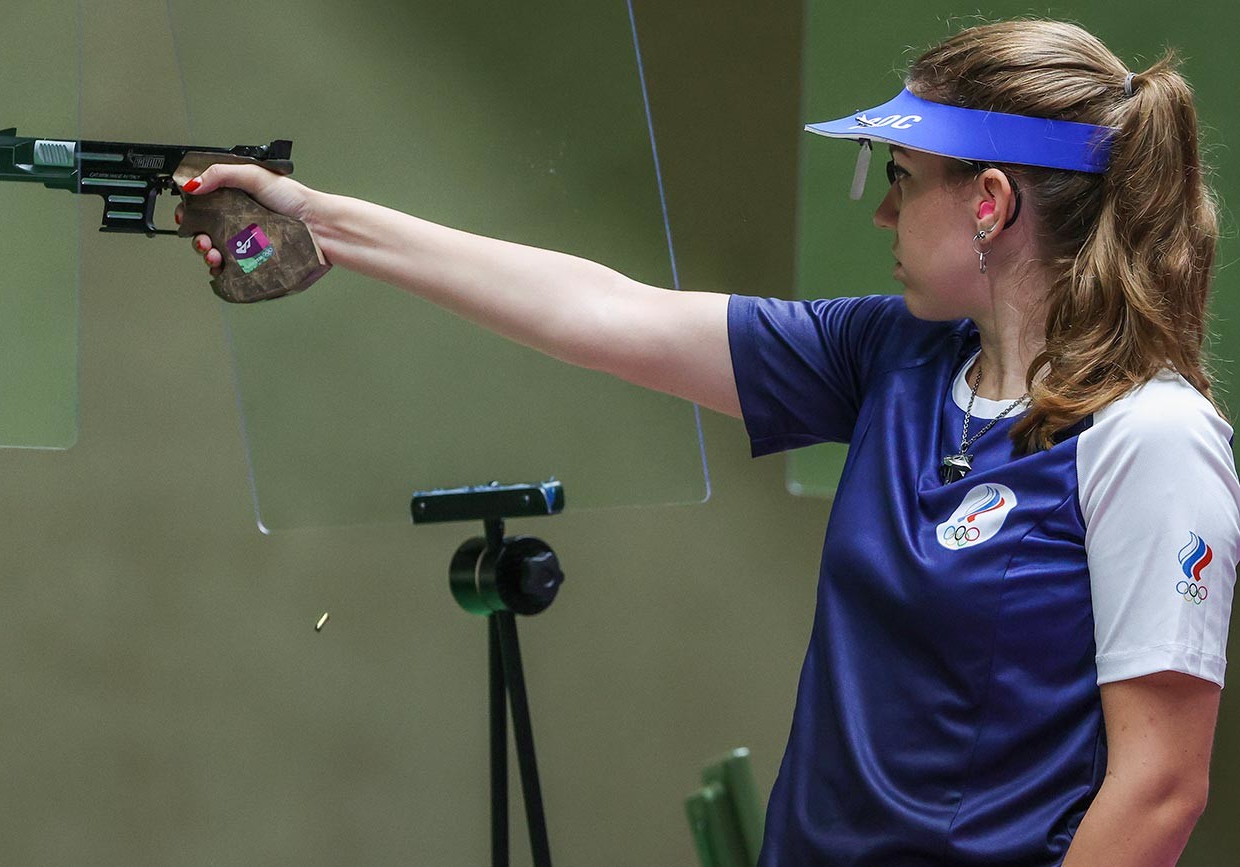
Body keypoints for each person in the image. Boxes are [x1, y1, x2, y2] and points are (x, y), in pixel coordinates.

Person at [177, 18, 1236, 867]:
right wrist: (321, 220)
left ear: (990, 205)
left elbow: (1156, 793)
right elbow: (605, 314)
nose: (884, 215)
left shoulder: (1152, 438)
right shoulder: (892, 357)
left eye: (901, 177)